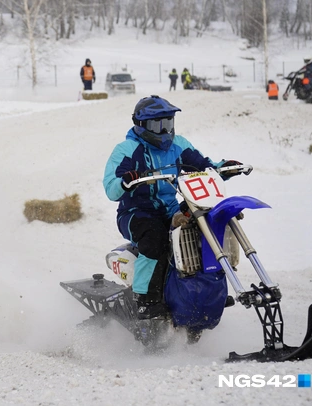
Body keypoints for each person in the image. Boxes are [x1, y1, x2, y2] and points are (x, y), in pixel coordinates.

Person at [103, 95, 240, 319]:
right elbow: (111, 188)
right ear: (141, 126)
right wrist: (125, 181)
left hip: (169, 210)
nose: (165, 131)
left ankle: (208, 291)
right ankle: (145, 300)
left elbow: (203, 166)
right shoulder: (126, 149)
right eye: (158, 125)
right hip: (136, 213)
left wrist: (222, 168)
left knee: (203, 228)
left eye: (168, 123)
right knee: (155, 239)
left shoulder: (179, 145)